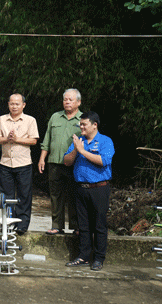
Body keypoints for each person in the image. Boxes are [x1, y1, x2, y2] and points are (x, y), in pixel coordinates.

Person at [64, 111, 114, 271]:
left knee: (99, 225)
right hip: (81, 188)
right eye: (80, 124)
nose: (81, 127)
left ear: (94, 125)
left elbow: (103, 161)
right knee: (83, 225)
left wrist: (83, 151)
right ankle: (83, 256)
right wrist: (75, 150)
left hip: (99, 188)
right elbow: (66, 161)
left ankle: (98, 258)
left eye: (84, 124)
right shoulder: (79, 141)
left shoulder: (105, 141)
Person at [38, 89, 82, 235]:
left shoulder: (83, 119)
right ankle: (57, 225)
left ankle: (76, 226)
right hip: (54, 162)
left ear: (78, 102)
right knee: (56, 196)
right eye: (65, 99)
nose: (67, 102)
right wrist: (42, 158)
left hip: (74, 164)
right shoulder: (55, 117)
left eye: (70, 99)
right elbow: (47, 139)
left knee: (74, 195)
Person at [0, 93, 39, 235]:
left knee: (24, 195)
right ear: (8, 104)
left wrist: (17, 139)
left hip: (23, 163)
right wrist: (7, 139)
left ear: (23, 105)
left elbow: (33, 141)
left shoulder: (30, 120)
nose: (14, 106)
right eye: (11, 103)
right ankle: (8, 221)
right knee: (6, 195)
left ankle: (22, 224)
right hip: (6, 162)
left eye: (17, 104)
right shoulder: (1, 119)